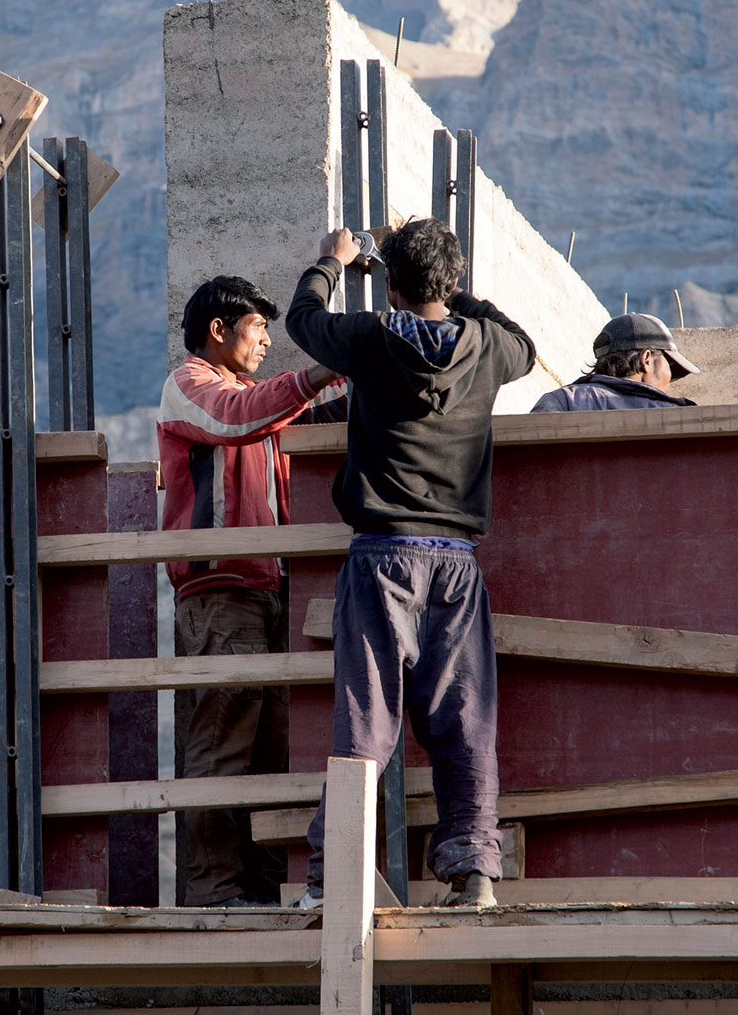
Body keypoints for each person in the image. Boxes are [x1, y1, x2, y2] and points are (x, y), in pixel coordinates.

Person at [284, 219, 536, 909]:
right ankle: (475, 876)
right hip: (456, 564)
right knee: (464, 720)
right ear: (452, 285)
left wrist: (330, 260)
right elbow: (526, 343)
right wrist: (462, 296)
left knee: (365, 721)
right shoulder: (488, 348)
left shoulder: (372, 338)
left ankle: (331, 879)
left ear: (389, 284)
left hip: (380, 558)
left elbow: (303, 321)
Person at [158, 275, 344, 907]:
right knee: (221, 740)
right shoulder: (191, 386)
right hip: (220, 592)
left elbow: (300, 412)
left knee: (270, 748)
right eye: (258, 327)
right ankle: (212, 894)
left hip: (266, 592)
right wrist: (318, 374)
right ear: (219, 331)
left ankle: (260, 893)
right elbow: (235, 418)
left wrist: (358, 365)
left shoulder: (258, 401)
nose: (266, 340)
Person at [532, 312, 701, 411]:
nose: (669, 378)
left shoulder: (563, 402)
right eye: (669, 365)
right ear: (647, 359)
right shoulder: (682, 415)